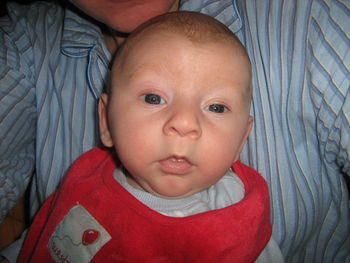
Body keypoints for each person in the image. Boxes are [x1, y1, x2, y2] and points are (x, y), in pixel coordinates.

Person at [0, 0, 349, 262]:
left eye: (216, 107)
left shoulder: (240, 225)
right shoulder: (80, 183)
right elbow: (42, 240)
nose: (184, 123)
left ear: (243, 138)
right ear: (105, 123)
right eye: (153, 97)